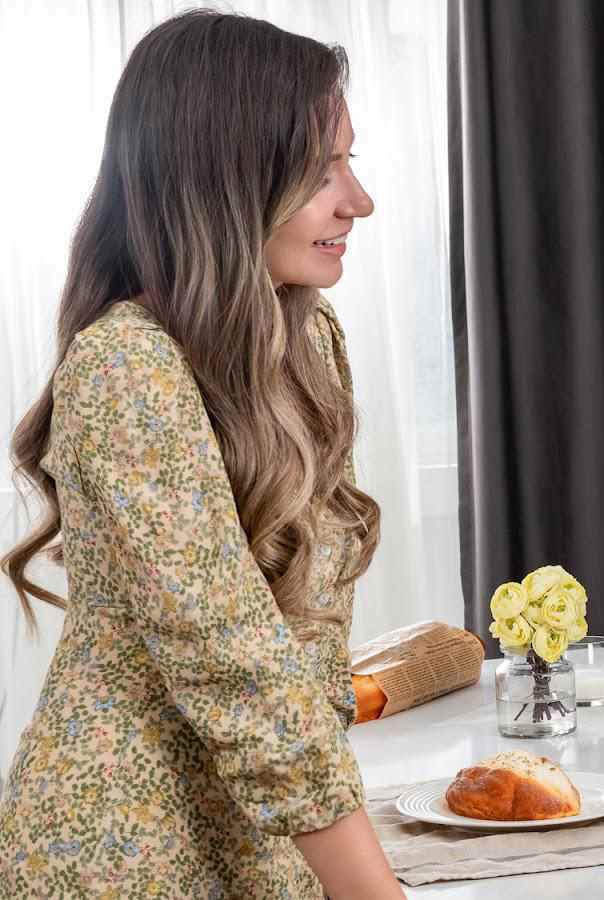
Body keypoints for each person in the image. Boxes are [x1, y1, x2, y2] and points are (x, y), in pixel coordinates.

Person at [0, 11, 405, 898]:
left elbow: (307, 641)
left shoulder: (304, 335)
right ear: (224, 180)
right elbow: (236, 661)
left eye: (351, 161)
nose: (358, 201)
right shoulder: (126, 366)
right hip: (122, 857)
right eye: (321, 171)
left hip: (271, 845)